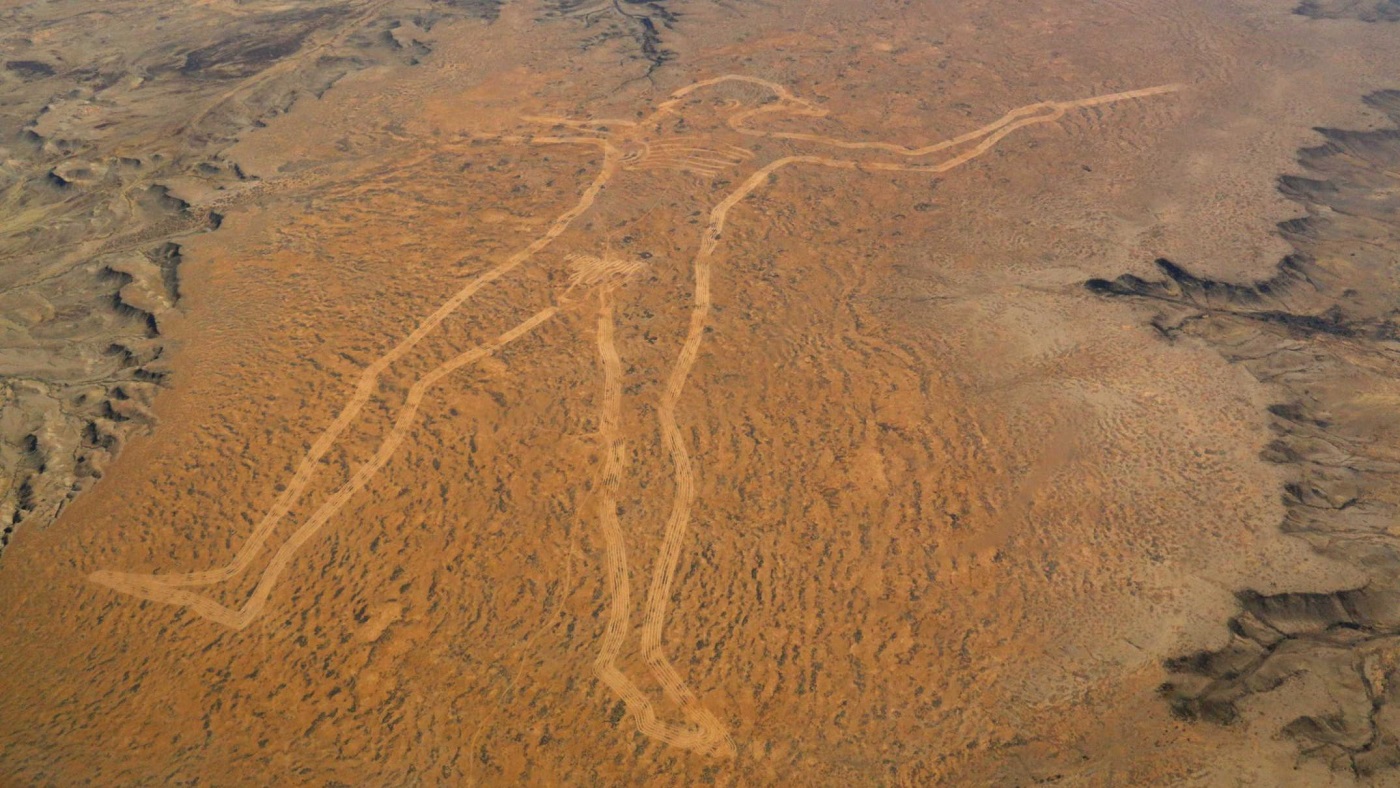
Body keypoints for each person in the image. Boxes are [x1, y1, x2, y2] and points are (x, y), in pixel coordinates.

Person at [91, 74, 1180, 756]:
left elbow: (912, 159)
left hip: (641, 290)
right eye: (727, 108)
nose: (707, 118)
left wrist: (1035, 111)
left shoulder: (738, 147)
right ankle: (241, 578)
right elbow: (518, 124)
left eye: (723, 111)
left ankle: (636, 656)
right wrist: (408, 110)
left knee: (635, 454)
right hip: (556, 265)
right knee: (398, 384)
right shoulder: (636, 130)